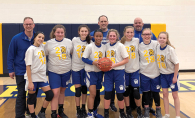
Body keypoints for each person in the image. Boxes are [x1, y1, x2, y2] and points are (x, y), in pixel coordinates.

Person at [7, 17, 38, 118]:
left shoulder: (38, 37)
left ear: (33, 25)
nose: (28, 26)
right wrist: (11, 70)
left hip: (34, 71)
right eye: (26, 24)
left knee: (33, 94)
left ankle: (30, 113)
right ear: (23, 25)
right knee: (21, 94)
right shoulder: (16, 38)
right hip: (21, 71)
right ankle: (20, 115)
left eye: (30, 24)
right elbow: (10, 54)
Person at [90, 15, 117, 112]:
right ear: (98, 23)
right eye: (101, 21)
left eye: (105, 21)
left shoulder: (111, 33)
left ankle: (112, 103)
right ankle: (96, 103)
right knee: (97, 85)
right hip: (99, 64)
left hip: (110, 64)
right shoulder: (93, 34)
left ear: (108, 22)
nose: (103, 23)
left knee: (111, 85)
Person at [44, 25, 73, 118]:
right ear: (54, 33)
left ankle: (61, 111)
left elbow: (72, 53)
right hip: (54, 71)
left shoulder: (69, 42)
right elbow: (43, 55)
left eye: (62, 32)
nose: (60, 34)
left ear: (64, 33)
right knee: (55, 92)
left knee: (62, 91)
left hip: (66, 70)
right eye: (58, 32)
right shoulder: (48, 43)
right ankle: (53, 113)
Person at [24, 31, 54, 118]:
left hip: (42, 77)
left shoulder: (42, 47)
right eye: (39, 37)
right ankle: (32, 115)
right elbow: (28, 66)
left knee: (50, 94)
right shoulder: (30, 49)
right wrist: (30, 82)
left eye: (42, 38)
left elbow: (50, 43)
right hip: (32, 77)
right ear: (35, 38)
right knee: (32, 98)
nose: (41, 39)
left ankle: (42, 112)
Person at [133, 17, 156, 113]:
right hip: (134, 63)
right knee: (134, 86)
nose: (138, 24)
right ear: (134, 24)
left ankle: (148, 105)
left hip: (147, 65)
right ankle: (134, 104)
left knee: (148, 87)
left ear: (142, 24)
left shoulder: (150, 34)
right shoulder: (130, 33)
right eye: (136, 23)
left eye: (139, 23)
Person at [104, 29, 129, 118]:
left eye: (114, 36)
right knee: (107, 93)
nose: (112, 37)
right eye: (110, 36)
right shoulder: (105, 46)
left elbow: (126, 59)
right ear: (108, 37)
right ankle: (106, 112)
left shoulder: (121, 46)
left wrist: (115, 65)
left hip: (119, 72)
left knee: (119, 93)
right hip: (108, 72)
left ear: (117, 37)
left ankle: (122, 112)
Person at [82, 29, 106, 118]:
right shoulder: (89, 46)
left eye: (100, 36)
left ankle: (95, 111)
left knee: (97, 93)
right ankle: (90, 113)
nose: (99, 38)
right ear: (94, 37)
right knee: (92, 94)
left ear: (102, 37)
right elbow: (84, 58)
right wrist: (93, 62)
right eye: (97, 36)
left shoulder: (104, 47)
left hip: (99, 73)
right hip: (91, 72)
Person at [139, 28, 162, 118]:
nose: (147, 36)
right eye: (145, 34)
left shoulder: (156, 43)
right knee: (146, 93)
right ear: (142, 36)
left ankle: (158, 109)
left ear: (151, 35)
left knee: (156, 93)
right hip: (144, 72)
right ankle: (146, 109)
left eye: (148, 34)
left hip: (155, 73)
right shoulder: (139, 45)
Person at [156, 32, 180, 118]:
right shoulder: (157, 48)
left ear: (167, 39)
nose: (162, 39)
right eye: (160, 38)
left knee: (175, 95)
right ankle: (167, 114)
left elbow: (177, 64)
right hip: (163, 75)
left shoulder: (170, 50)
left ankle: (177, 115)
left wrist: (175, 76)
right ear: (158, 39)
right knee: (165, 94)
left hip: (171, 75)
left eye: (164, 38)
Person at [120, 26, 142, 118]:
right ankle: (128, 109)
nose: (129, 34)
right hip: (125, 71)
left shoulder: (136, 40)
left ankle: (139, 109)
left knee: (136, 93)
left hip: (135, 71)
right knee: (126, 92)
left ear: (134, 33)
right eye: (128, 32)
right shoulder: (120, 43)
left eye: (131, 32)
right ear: (124, 33)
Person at [72, 25, 91, 118]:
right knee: (78, 90)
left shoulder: (90, 42)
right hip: (76, 67)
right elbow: (71, 51)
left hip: (86, 68)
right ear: (79, 32)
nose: (84, 33)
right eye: (82, 31)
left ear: (88, 32)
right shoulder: (74, 40)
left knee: (84, 89)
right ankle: (78, 109)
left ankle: (84, 108)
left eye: (85, 31)